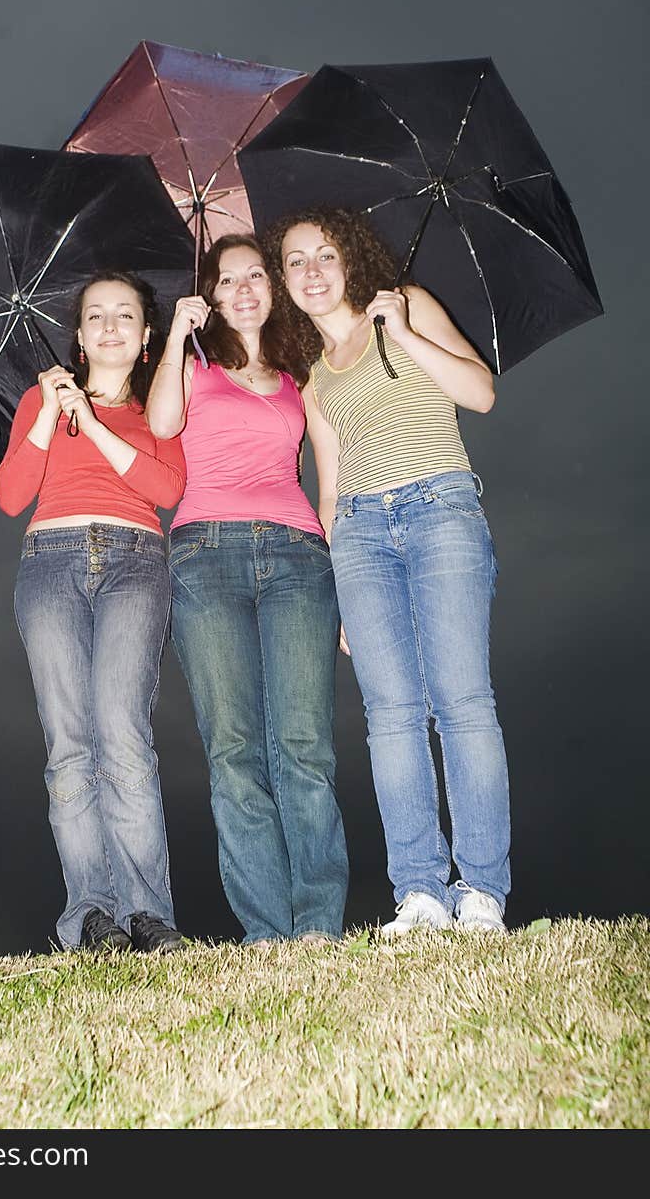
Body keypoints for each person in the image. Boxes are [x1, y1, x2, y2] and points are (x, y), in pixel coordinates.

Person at [265, 207, 512, 936]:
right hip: (362, 535)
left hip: (440, 508)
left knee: (462, 701)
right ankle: (420, 893)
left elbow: (481, 393)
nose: (311, 271)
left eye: (324, 255)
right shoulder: (311, 378)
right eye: (295, 261)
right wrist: (340, 580)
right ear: (285, 282)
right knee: (391, 717)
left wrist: (402, 333)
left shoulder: (407, 307)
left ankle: (482, 893)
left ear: (351, 261)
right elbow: (331, 487)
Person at [145, 233, 350, 948]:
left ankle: (319, 924)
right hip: (206, 554)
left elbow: (326, 475)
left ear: (272, 288)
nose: (244, 288)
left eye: (257, 275)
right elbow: (162, 423)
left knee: (303, 745)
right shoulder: (194, 368)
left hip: (298, 554)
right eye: (227, 279)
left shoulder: (301, 376)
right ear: (212, 295)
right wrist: (176, 332)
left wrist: (340, 565)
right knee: (233, 750)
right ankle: (267, 930)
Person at [0, 272, 187, 954]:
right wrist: (50, 411)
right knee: (69, 746)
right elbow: (11, 495)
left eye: (125, 316)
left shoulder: (159, 408)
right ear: (77, 336)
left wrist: (98, 426)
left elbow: (167, 485)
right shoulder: (38, 401)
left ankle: (147, 912)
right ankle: (91, 915)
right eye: (95, 315)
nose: (109, 325)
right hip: (50, 561)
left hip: (136, 558)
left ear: (144, 339)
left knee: (123, 734)